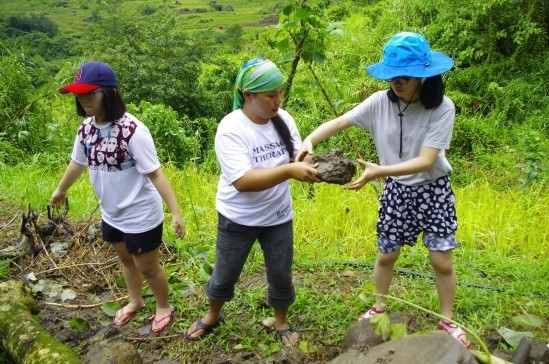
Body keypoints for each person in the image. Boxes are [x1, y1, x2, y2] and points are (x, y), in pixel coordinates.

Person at [296, 32, 470, 347]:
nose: (396, 83)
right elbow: (339, 123)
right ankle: (379, 305)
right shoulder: (379, 103)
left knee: (441, 261)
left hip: (433, 190)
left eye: (404, 77)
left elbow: (426, 160)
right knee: (386, 254)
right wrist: (310, 139)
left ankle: (448, 321)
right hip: (397, 192)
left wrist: (380, 171)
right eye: (391, 77)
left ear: (423, 76)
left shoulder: (442, 108)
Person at [185, 57, 319, 347]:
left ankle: (280, 321)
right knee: (224, 275)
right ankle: (213, 315)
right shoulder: (231, 128)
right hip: (238, 217)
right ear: (248, 95)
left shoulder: (283, 119)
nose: (277, 101)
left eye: (279, 93)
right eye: (271, 95)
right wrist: (289, 171)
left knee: (281, 275)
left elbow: (297, 156)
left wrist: (311, 163)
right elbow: (243, 182)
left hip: (278, 216)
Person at [50, 60, 186, 334]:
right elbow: (77, 163)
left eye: (91, 92)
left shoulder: (133, 130)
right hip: (110, 212)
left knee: (148, 267)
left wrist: (175, 212)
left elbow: (156, 173)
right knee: (125, 261)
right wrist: (61, 189)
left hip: (140, 214)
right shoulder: (86, 129)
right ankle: (135, 301)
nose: (84, 98)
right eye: (80, 93)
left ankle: (163, 306)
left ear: (109, 93)